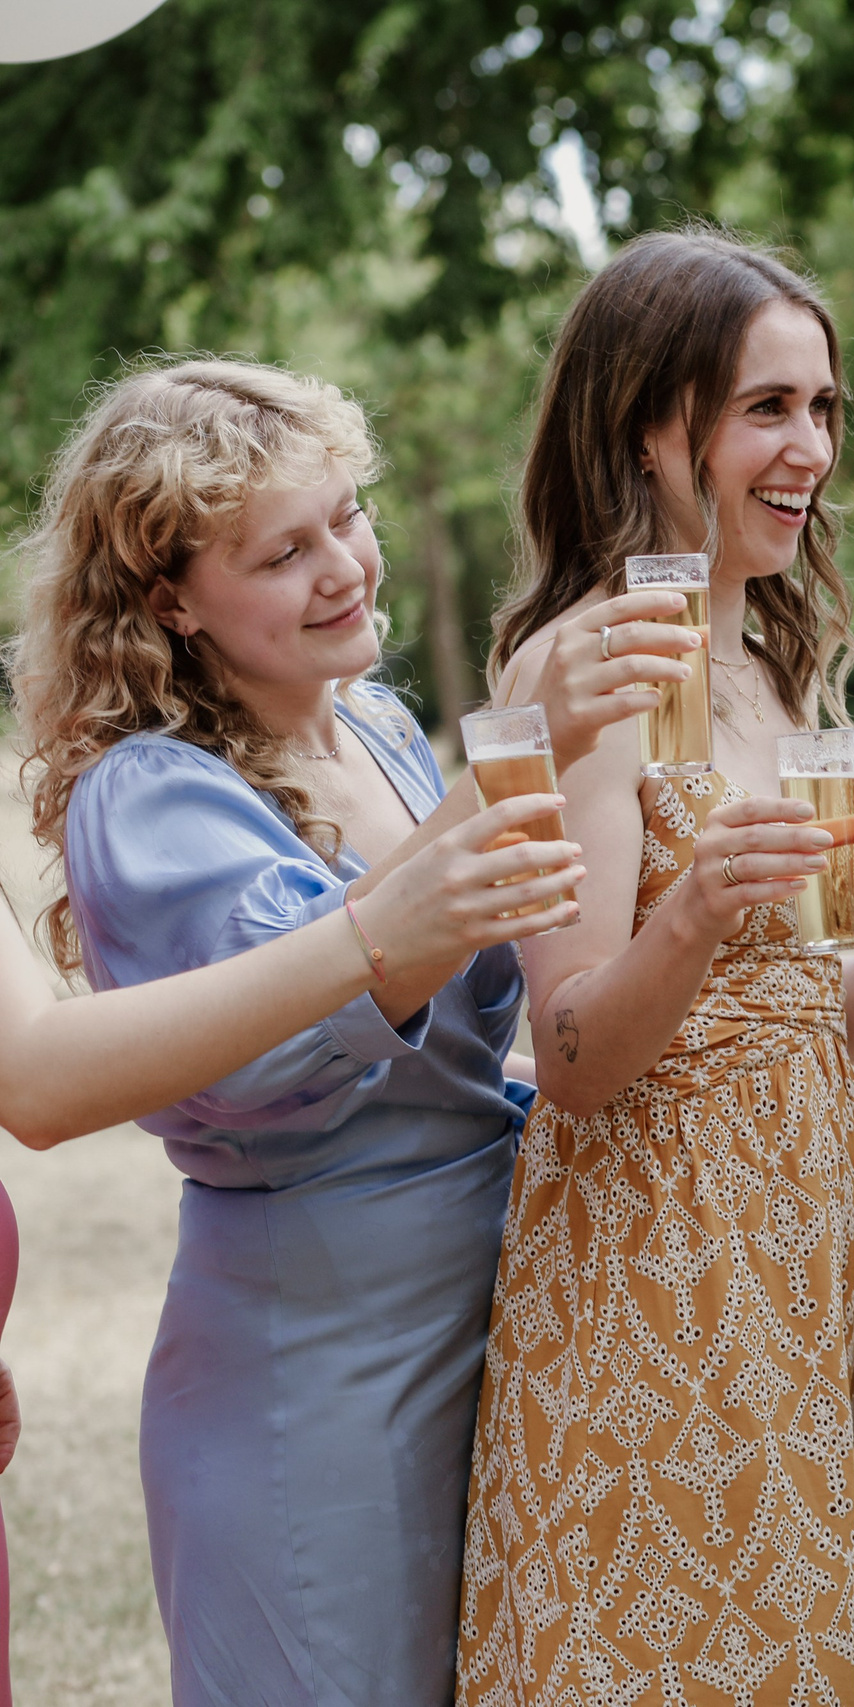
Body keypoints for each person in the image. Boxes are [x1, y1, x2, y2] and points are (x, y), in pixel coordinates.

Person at [10, 356, 694, 1706]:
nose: (344, 568)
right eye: (283, 553)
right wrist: (528, 743)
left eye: (350, 516)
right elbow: (306, 1005)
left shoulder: (380, 728)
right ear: (171, 600)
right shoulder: (150, 794)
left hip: (483, 1318)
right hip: (313, 1360)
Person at [457, 230, 854, 1703]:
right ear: (653, 423)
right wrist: (693, 910)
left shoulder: (781, 659)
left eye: (823, 409)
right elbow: (566, 1056)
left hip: (798, 1234)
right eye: (768, 407)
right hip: (651, 1250)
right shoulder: (586, 667)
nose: (808, 446)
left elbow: (838, 998)